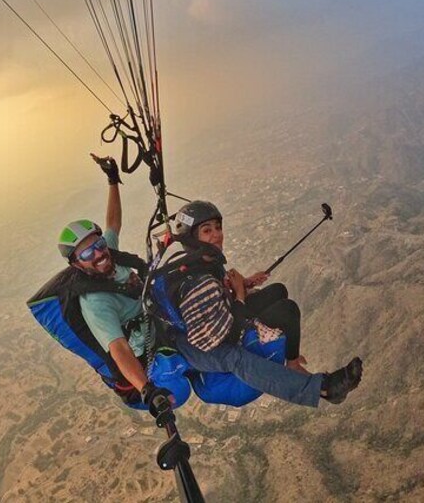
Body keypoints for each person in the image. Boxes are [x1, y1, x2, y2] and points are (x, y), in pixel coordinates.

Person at [158, 200, 363, 406]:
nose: (217, 234)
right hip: (207, 347)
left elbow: (217, 299)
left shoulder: (203, 262)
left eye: (218, 227)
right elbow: (226, 337)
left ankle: (292, 361)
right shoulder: (200, 284)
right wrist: (239, 293)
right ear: (192, 239)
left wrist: (244, 284)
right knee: (285, 312)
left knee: (278, 290)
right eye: (207, 230)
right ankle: (322, 388)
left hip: (220, 319)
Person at [56, 154, 170, 413]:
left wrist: (112, 180)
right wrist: (147, 389)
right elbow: (118, 347)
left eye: (98, 245)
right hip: (148, 350)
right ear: (76, 264)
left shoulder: (109, 256)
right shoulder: (95, 302)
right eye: (87, 254)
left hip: (156, 316)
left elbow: (113, 223)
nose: (97, 254)